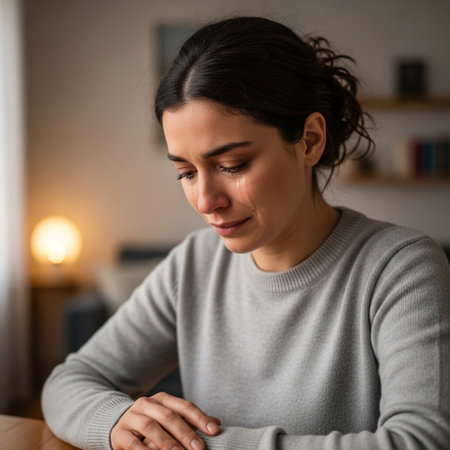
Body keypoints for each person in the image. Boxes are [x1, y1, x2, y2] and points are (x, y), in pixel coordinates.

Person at [42, 16, 450, 450]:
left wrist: (196, 446)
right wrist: (118, 420)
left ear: (310, 141)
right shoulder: (194, 264)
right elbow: (69, 381)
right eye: (185, 172)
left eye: (231, 166)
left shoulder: (402, 268)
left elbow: (421, 441)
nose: (205, 200)